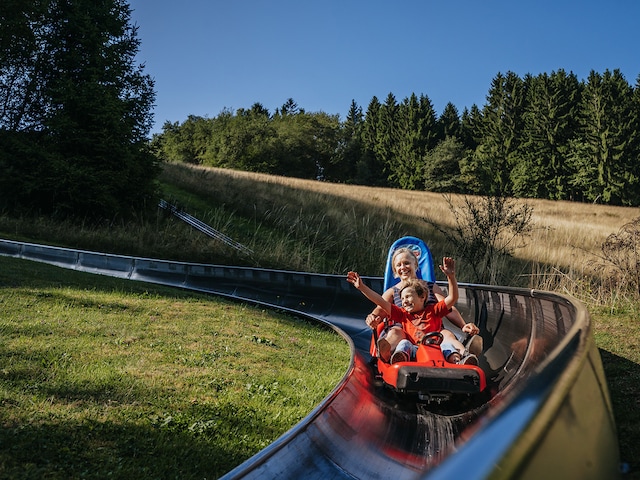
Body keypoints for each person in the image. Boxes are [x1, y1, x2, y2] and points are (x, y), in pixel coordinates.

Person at [348, 257, 479, 365]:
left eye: (406, 263)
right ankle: (394, 356)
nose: (404, 301)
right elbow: (380, 303)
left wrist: (451, 277)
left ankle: (463, 358)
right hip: (410, 343)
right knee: (403, 342)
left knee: (447, 343)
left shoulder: (433, 309)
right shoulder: (402, 313)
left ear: (422, 297)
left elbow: (451, 300)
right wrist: (362, 288)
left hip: (435, 344)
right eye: (399, 265)